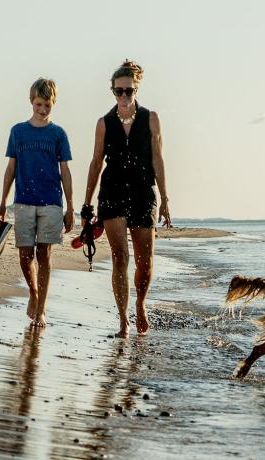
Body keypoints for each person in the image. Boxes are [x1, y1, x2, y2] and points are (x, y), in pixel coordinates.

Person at [82, 60, 171, 338]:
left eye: (128, 91)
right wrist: (86, 203)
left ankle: (140, 304)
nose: (123, 96)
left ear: (136, 89)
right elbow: (96, 162)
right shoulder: (104, 123)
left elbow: (158, 158)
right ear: (112, 91)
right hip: (113, 191)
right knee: (120, 257)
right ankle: (123, 319)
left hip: (144, 190)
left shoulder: (151, 118)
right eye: (118, 91)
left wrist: (165, 198)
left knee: (145, 260)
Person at [0, 78, 74, 328]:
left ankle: (41, 310)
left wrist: (70, 206)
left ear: (53, 104)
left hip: (51, 202)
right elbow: (10, 169)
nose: (42, 110)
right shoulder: (18, 131)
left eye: (47, 106)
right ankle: (33, 292)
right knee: (24, 255)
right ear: (31, 101)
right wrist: (2, 202)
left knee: (44, 254)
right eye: (39, 104)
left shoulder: (58, 134)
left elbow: (66, 172)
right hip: (24, 202)